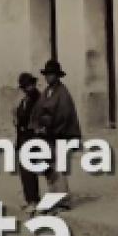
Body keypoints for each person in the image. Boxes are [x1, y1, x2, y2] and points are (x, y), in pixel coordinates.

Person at [30, 59, 81, 209]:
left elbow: (64, 115)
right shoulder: (46, 92)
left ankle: (64, 200)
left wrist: (49, 129)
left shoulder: (62, 93)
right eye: (47, 74)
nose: (48, 77)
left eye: (51, 74)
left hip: (61, 135)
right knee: (49, 167)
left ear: (57, 76)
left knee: (59, 167)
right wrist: (37, 126)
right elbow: (37, 110)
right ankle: (54, 197)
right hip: (48, 135)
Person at [13, 72, 42, 208]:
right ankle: (30, 198)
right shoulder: (26, 99)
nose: (28, 88)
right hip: (23, 138)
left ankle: (33, 200)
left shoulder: (37, 98)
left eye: (30, 85)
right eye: (25, 86)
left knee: (29, 170)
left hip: (32, 138)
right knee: (25, 171)